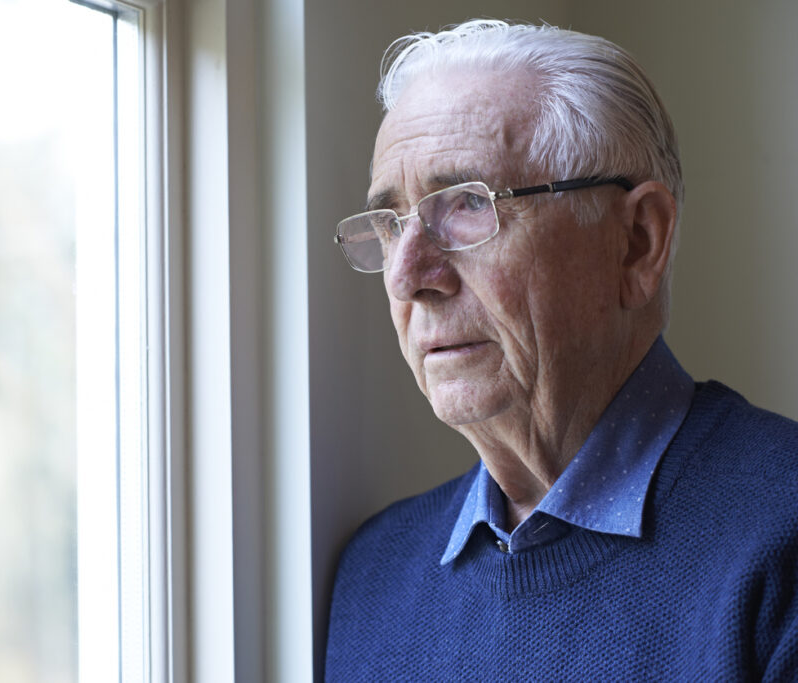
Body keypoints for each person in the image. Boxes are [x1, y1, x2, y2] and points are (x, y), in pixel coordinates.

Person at [326, 19, 798, 681]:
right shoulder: (374, 573)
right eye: (392, 223)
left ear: (637, 242)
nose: (407, 276)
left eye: (466, 204)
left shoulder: (781, 531)